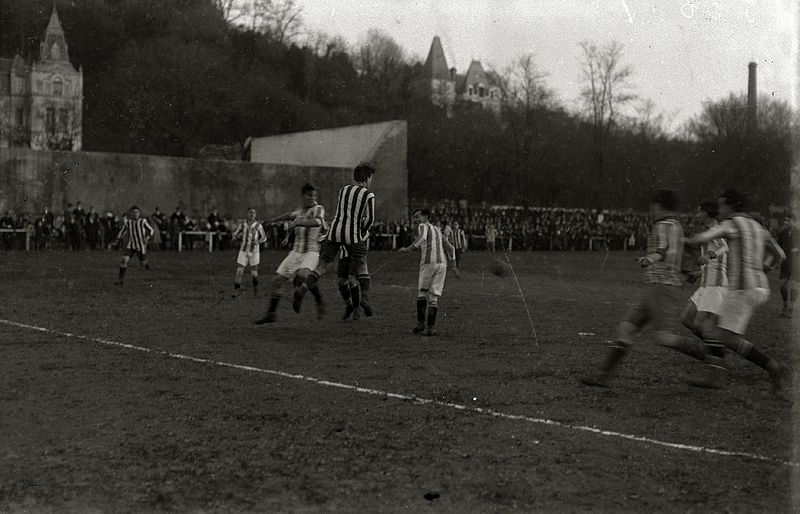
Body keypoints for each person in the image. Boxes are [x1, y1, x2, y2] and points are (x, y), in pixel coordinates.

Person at [683, 189, 790, 396]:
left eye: (722, 205)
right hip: (760, 288)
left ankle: (723, 374)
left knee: (711, 330)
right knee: (725, 335)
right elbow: (780, 255)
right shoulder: (759, 227)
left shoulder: (731, 224)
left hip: (742, 288)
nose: (720, 209)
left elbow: (705, 237)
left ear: (731, 206)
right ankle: (772, 368)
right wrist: (763, 270)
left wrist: (686, 242)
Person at [581, 190, 685, 387]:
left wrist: (649, 258)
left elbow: (661, 252)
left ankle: (707, 354)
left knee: (663, 337)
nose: (651, 210)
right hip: (655, 286)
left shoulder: (663, 225)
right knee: (626, 327)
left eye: (653, 206)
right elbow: (675, 253)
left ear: (659, 205)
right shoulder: (677, 226)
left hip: (662, 286)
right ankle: (603, 376)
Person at [294, 162, 376, 314]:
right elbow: (370, 219)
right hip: (352, 234)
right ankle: (364, 298)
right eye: (371, 179)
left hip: (334, 232)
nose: (371, 182)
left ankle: (304, 288)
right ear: (367, 178)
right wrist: (361, 231)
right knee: (362, 265)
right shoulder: (368, 194)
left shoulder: (344, 189)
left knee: (322, 266)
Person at [255, 184, 326, 323]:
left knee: (303, 276)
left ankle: (318, 302)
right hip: (295, 252)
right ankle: (271, 314)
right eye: (309, 195)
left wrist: (299, 223)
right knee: (276, 281)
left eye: (314, 195)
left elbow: (317, 222)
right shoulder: (299, 211)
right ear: (303, 196)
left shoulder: (319, 209)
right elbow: (289, 215)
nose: (312, 198)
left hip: (311, 251)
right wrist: (273, 220)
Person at [399, 208, 456, 336]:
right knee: (434, 296)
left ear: (425, 217)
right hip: (442, 264)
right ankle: (430, 328)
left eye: (417, 216)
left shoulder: (423, 226)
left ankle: (421, 324)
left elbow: (422, 238)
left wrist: (408, 249)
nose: (416, 219)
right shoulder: (437, 229)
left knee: (422, 292)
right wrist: (454, 265)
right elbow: (450, 247)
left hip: (429, 263)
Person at [231, 207, 267, 298]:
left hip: (254, 252)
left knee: (254, 272)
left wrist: (258, 242)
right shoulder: (242, 225)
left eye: (254, 212)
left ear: (256, 214)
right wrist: (236, 237)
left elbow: (264, 237)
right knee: (239, 271)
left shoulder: (258, 225)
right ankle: (236, 290)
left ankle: (256, 289)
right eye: (250, 212)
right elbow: (235, 234)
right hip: (243, 251)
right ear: (247, 214)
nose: (252, 214)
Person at [114, 206, 154, 285]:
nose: (135, 214)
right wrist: (117, 239)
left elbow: (151, 230)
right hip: (131, 245)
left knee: (142, 263)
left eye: (136, 212)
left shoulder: (143, 221)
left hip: (140, 246)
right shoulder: (128, 222)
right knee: (124, 260)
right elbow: (122, 231)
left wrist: (147, 238)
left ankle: (145, 262)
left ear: (139, 214)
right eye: (133, 212)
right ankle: (120, 279)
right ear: (131, 214)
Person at [777, 214, 799, 317]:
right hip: (785, 263)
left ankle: (792, 309)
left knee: (794, 286)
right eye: (785, 220)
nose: (786, 223)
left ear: (794, 221)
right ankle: (785, 306)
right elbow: (778, 247)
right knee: (782, 285)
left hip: (797, 264)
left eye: (788, 220)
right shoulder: (782, 233)